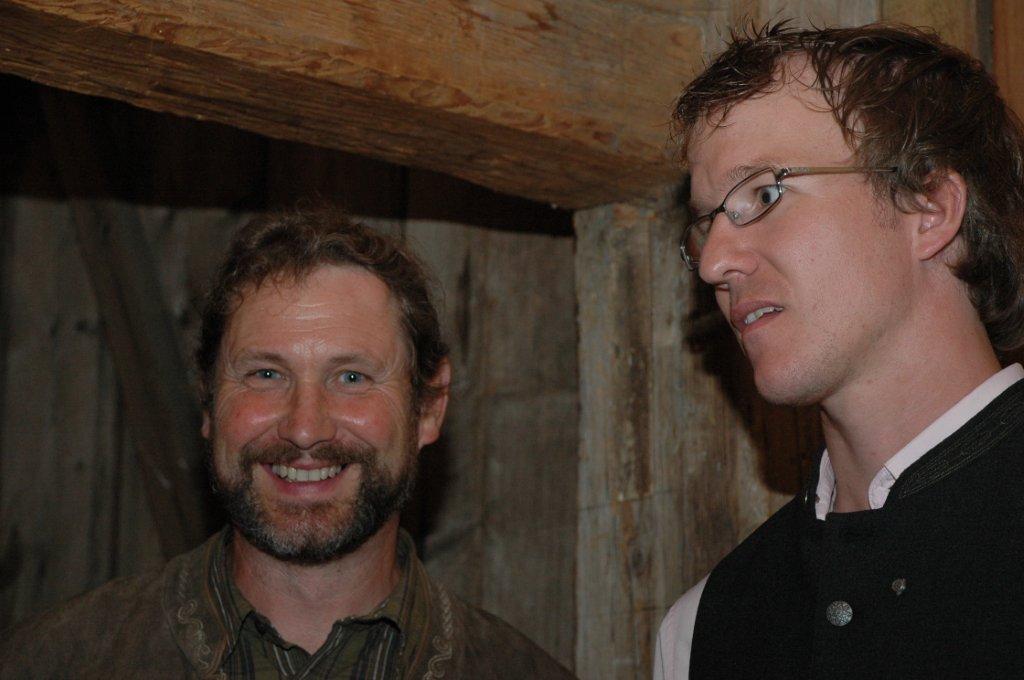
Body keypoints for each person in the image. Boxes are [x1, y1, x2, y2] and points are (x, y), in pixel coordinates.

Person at [0, 210, 575, 679]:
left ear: (428, 406)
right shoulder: (48, 663)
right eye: (265, 374)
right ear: (208, 402)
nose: (304, 429)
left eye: (351, 377)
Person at [656, 22, 1024, 680]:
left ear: (930, 208)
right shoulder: (703, 629)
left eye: (764, 194)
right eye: (706, 224)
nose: (713, 263)